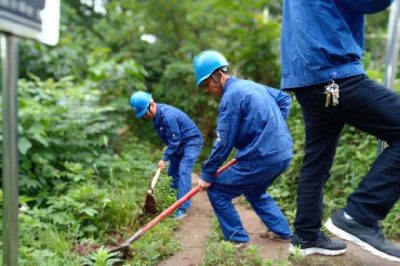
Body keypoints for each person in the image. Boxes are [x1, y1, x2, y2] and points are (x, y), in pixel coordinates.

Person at [281, 0, 400, 262]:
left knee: (316, 163)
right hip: (332, 70)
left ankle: (306, 235)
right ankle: (359, 215)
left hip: (307, 77)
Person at [193, 50, 293, 244]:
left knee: (217, 191)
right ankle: (282, 231)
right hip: (283, 153)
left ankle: (237, 240)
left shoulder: (230, 98)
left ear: (217, 76)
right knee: (254, 189)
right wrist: (272, 129)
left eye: (207, 84)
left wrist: (207, 174)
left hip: (262, 158)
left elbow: (223, 143)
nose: (208, 90)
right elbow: (283, 99)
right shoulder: (251, 86)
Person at [130, 91, 203, 219]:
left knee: (183, 171)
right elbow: (173, 137)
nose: (144, 117)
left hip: (192, 141)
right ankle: (174, 201)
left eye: (144, 113)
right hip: (179, 142)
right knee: (172, 173)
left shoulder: (168, 116)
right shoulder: (157, 116)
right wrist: (169, 146)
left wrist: (164, 158)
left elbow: (175, 139)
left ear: (151, 105)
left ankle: (182, 208)